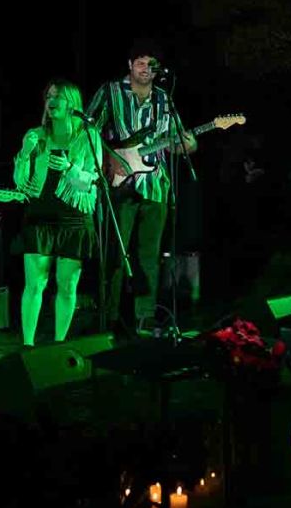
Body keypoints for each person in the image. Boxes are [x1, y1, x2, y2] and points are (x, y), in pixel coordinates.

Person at [86, 40, 196, 335]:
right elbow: (86, 130)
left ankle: (144, 318)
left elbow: (176, 141)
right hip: (120, 184)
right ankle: (109, 318)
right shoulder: (110, 92)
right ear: (130, 65)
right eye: (141, 63)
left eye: (152, 65)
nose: (146, 69)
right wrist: (109, 157)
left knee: (149, 256)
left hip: (155, 185)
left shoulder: (164, 99)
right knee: (116, 256)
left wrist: (187, 143)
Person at [13, 80, 102, 346]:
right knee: (35, 284)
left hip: (74, 217)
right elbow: (20, 183)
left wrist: (68, 168)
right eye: (48, 96)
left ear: (71, 103)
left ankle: (59, 344)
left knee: (67, 285)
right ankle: (28, 345)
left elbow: (91, 180)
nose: (51, 101)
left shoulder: (88, 135)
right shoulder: (35, 135)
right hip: (40, 216)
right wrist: (25, 153)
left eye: (58, 96)